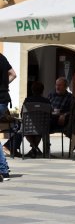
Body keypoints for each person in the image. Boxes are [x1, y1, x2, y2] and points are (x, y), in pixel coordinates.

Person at [22, 81, 52, 158]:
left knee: (27, 130)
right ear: (42, 90)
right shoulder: (46, 101)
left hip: (28, 127)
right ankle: (35, 148)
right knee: (39, 131)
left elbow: (22, 113)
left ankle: (34, 148)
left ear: (32, 90)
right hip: (42, 127)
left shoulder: (27, 100)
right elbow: (50, 114)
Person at [0, 53, 16, 181]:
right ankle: (3, 169)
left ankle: (3, 170)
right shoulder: (2, 57)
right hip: (3, 100)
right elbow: (13, 74)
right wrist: (4, 87)